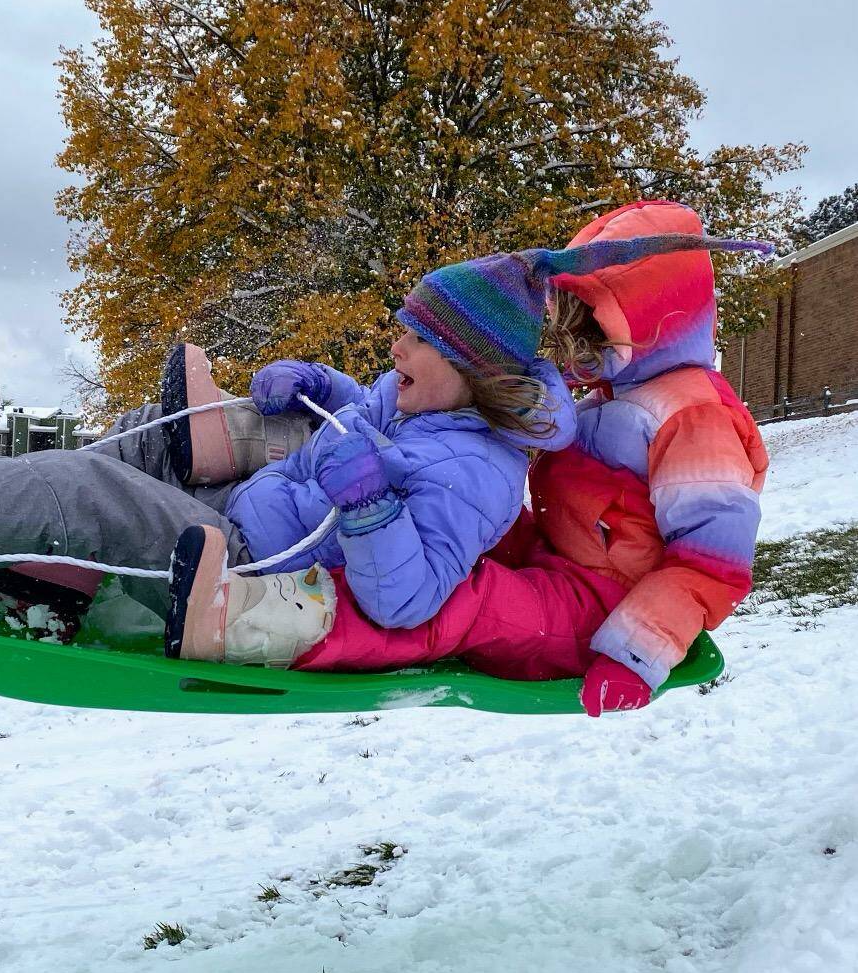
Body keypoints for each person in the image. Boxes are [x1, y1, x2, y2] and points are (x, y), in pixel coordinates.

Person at [165, 201, 771, 715]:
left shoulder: (692, 416)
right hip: (547, 552)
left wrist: (638, 652)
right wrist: (327, 394)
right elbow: (439, 424)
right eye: (570, 325)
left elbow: (711, 563)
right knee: (436, 504)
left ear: (655, 321)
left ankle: (267, 623)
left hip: (601, 603)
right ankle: (238, 442)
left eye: (596, 330)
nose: (575, 349)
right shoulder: (610, 393)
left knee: (463, 600)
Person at [0, 248, 575, 635]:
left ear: (470, 366)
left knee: (98, 496)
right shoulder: (422, 407)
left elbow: (406, 600)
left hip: (249, 566)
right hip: (249, 508)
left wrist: (367, 506)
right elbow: (359, 414)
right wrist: (321, 389)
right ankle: (44, 564)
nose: (394, 349)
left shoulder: (480, 473)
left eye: (415, 340)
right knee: (133, 446)